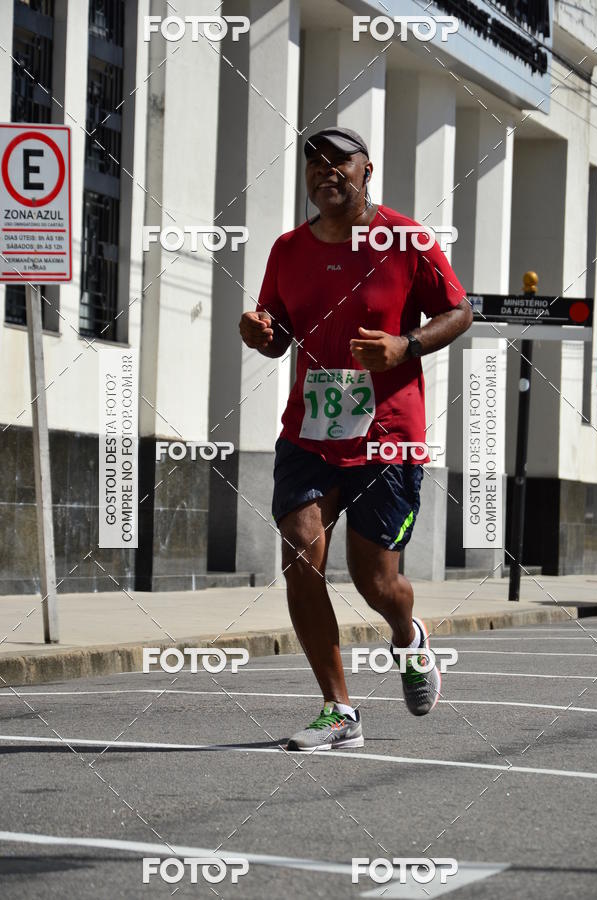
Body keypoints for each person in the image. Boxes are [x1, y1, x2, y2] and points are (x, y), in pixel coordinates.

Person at [239, 126, 472, 752]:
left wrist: (406, 344)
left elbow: (460, 310)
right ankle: (338, 709)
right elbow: (277, 328)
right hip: (310, 431)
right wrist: (262, 333)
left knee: (374, 580)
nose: (326, 173)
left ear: (367, 170)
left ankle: (408, 637)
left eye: (340, 162)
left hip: (388, 434)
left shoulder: (403, 239)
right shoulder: (288, 249)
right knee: (298, 551)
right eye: (314, 164)